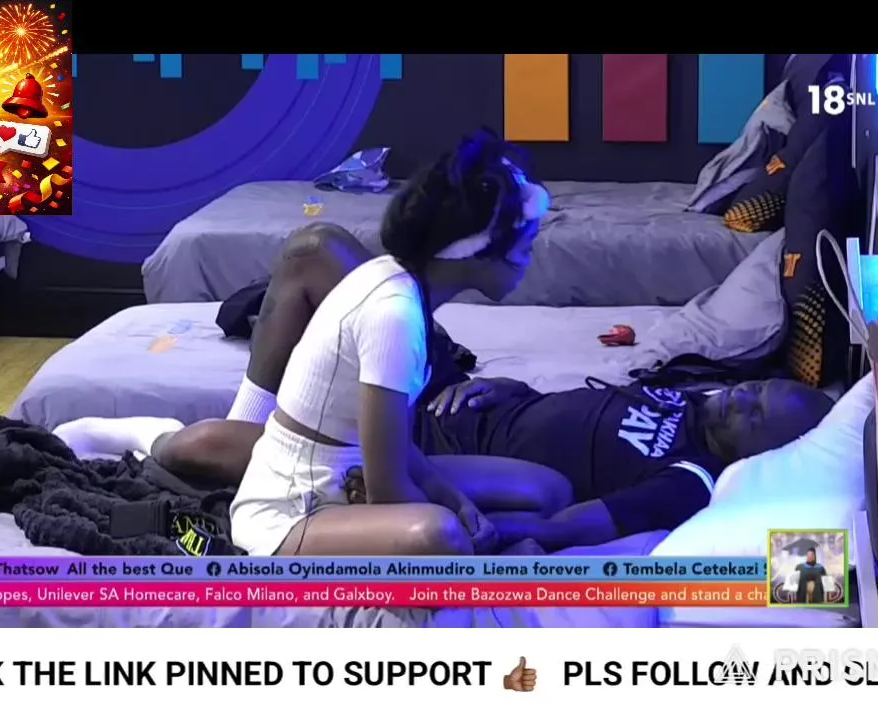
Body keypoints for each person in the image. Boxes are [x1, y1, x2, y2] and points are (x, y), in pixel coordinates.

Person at [58, 130, 554, 558]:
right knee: (437, 534)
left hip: (349, 470)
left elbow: (396, 449)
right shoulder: (394, 312)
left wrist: (453, 497)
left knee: (547, 489)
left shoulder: (406, 290)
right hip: (290, 509)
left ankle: (502, 533)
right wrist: (445, 514)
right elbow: (388, 491)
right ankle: (504, 542)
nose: (530, 258)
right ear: (477, 253)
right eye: (525, 246)